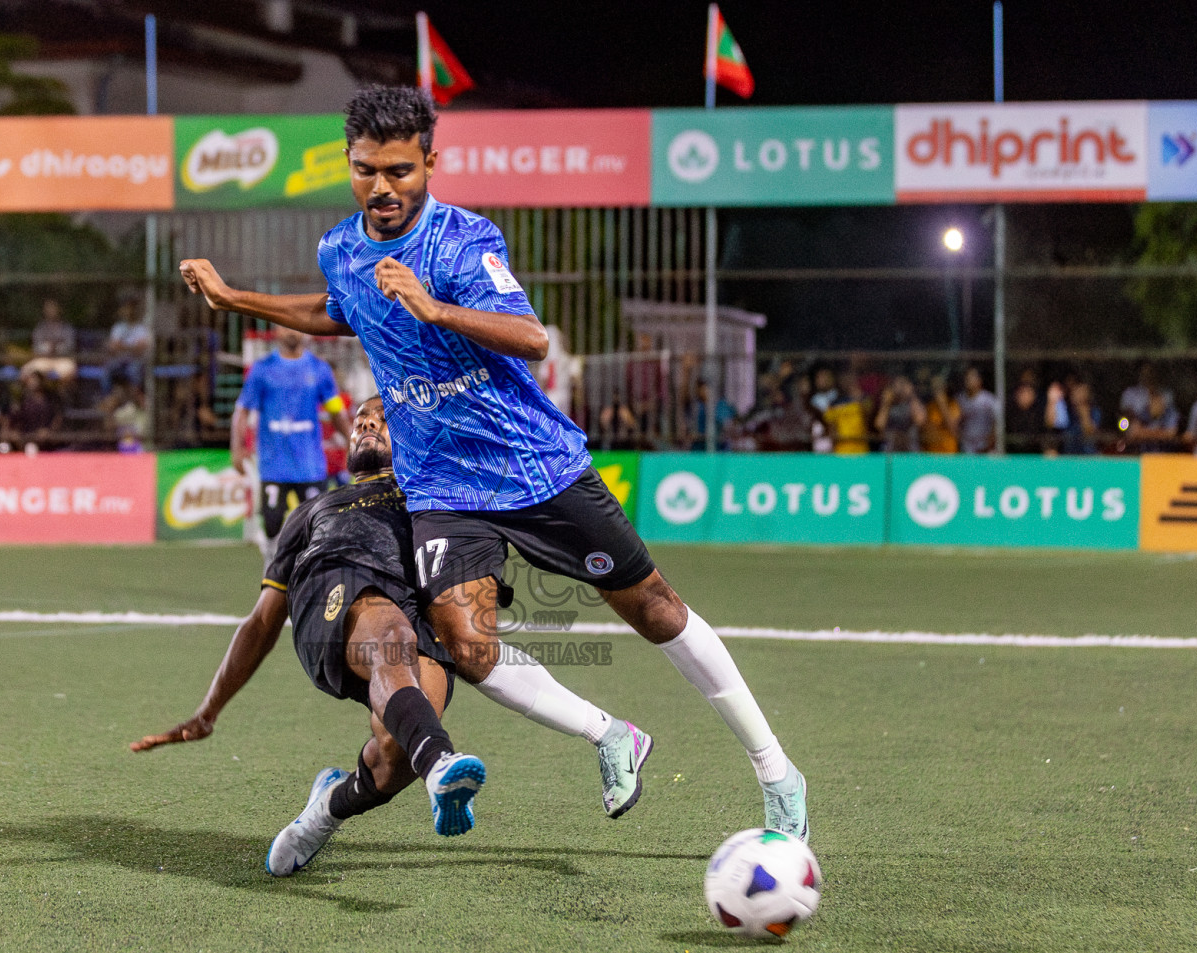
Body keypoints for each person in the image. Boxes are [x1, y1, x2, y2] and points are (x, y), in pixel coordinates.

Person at [179, 85, 803, 838]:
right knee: (469, 647)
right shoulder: (341, 249)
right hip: (440, 484)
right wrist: (235, 298)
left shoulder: (463, 242)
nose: (382, 187)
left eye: (400, 171)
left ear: (431, 164)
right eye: (366, 169)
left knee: (656, 610)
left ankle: (776, 770)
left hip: (534, 467)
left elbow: (532, 338)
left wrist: (434, 309)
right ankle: (611, 734)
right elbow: (336, 310)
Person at [132, 398, 491, 874]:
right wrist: (209, 711)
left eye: (383, 418)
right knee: (391, 638)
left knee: (396, 753)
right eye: (363, 418)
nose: (367, 421)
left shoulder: (431, 498)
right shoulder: (315, 510)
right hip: (336, 591)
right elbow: (262, 621)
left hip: (414, 614)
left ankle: (325, 812)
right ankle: (441, 761)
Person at [232, 326, 352, 557]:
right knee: (272, 524)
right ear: (275, 330)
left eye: (296, 327)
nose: (292, 332)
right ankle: (271, 568)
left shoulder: (319, 369)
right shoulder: (262, 370)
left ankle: (313, 575)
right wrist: (237, 448)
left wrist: (351, 441)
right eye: (285, 326)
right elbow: (242, 411)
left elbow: (335, 409)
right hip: (273, 466)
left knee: (317, 527)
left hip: (310, 466)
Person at [23, 299, 78, 383]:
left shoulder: (67, 328)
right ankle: (38, 394)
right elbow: (36, 346)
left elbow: (70, 345)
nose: (51, 311)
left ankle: (59, 393)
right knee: (28, 371)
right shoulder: (40, 328)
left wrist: (57, 348)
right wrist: (48, 348)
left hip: (62, 359)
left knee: (69, 371)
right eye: (48, 309)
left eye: (53, 308)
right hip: (44, 359)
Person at [6, 370, 62, 452]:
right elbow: (14, 419)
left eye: (36, 379)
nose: (33, 382)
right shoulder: (23, 400)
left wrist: (49, 431)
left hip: (46, 437)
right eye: (31, 380)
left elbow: (58, 417)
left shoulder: (50, 399)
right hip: (26, 437)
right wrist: (15, 433)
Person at [104, 299, 151, 393]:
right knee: (108, 372)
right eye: (126, 309)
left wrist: (122, 346)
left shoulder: (142, 328)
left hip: (136, 361)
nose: (128, 312)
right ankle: (108, 398)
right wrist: (132, 346)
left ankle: (136, 400)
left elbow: (141, 348)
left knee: (134, 372)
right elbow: (113, 346)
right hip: (119, 360)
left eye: (131, 309)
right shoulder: (118, 327)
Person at [874, 375, 925, 452]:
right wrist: (886, 403)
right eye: (896, 385)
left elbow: (920, 420)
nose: (900, 389)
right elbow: (879, 425)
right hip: (890, 450)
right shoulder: (888, 404)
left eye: (903, 385)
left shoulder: (913, 403)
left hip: (910, 450)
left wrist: (912, 396)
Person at [823, 374, 871, 455]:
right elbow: (831, 429)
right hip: (842, 451)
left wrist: (859, 399)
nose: (848, 383)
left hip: (861, 450)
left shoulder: (864, 401)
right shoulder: (834, 404)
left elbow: (869, 414)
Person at [955, 368, 999, 454]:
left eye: (972, 378)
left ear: (979, 380)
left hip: (986, 447)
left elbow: (997, 423)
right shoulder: (959, 399)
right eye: (967, 378)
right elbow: (955, 423)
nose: (968, 381)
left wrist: (989, 444)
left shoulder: (989, 400)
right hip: (966, 446)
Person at [920, 374, 960, 453]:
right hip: (931, 454)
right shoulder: (929, 407)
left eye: (938, 387)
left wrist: (942, 404)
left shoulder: (953, 404)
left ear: (944, 387)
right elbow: (924, 431)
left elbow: (954, 430)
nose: (936, 390)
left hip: (948, 454)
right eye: (934, 387)